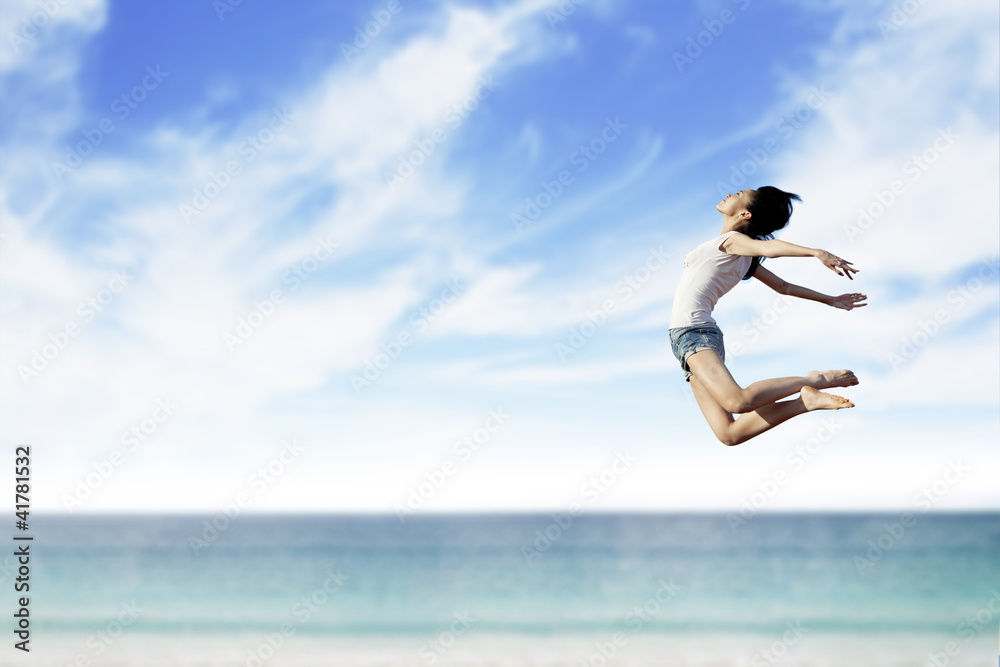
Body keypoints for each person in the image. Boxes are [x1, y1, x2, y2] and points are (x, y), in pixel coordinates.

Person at [668, 187, 867, 446]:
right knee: (730, 434)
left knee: (738, 401)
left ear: (745, 213)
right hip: (689, 340)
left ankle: (816, 379)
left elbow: (770, 247)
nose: (730, 193)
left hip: (694, 333)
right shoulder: (742, 256)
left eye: (738, 194)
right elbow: (784, 287)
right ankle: (804, 402)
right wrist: (829, 299)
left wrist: (816, 252)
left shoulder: (730, 241)